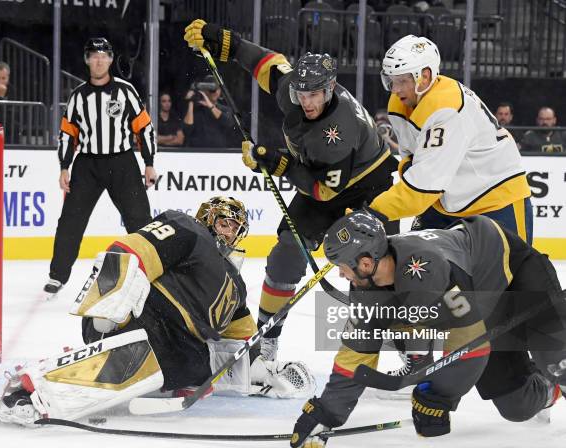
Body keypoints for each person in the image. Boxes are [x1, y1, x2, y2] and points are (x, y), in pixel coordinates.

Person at [184, 19, 399, 362]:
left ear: (329, 90)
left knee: (375, 271)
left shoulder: (338, 131)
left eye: (314, 94)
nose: (307, 101)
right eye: (301, 94)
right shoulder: (296, 92)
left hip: (369, 187)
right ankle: (267, 339)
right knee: (286, 252)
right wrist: (224, 40)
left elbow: (322, 191)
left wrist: (276, 163)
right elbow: (266, 63)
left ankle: (397, 344)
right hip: (323, 177)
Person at [0, 197, 315, 425]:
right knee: (142, 352)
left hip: (182, 350)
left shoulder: (237, 289)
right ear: (207, 217)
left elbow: (244, 348)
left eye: (235, 227)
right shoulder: (188, 229)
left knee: (198, 365)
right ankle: (36, 387)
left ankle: (82, 375)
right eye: (223, 220)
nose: (228, 231)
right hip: (145, 317)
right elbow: (129, 251)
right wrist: (107, 305)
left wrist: (269, 375)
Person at [290, 211, 566, 448]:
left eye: (342, 267)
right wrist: (327, 413)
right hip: (481, 304)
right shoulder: (367, 287)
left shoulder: (424, 271)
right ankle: (550, 385)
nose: (341, 274)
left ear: (364, 263)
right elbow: (357, 351)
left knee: (557, 359)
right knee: (518, 406)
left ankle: (555, 367)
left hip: (514, 272)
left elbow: (469, 342)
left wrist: (439, 396)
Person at [366, 34, 534, 376]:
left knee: (510, 294)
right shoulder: (403, 103)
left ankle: (540, 371)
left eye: (402, 80)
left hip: (495, 197)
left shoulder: (445, 109)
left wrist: (372, 213)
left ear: (425, 76)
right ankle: (418, 360)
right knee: (413, 271)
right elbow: (415, 160)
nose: (396, 88)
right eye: (392, 80)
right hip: (446, 199)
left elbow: (420, 188)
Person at [44, 38, 157, 298]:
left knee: (140, 220)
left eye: (103, 55)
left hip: (122, 162)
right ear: (87, 60)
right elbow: (67, 134)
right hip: (87, 165)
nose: (98, 60)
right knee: (70, 221)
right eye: (93, 55)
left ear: (110, 59)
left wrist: (149, 163)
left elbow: (145, 128)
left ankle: (153, 272)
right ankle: (57, 276)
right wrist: (64, 166)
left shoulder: (125, 91)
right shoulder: (78, 96)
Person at [183, 74, 240, 148]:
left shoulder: (225, 109)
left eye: (218, 89)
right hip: (197, 153)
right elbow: (186, 130)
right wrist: (190, 101)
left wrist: (210, 105)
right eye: (212, 89)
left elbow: (228, 123)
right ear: (204, 90)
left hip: (219, 153)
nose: (215, 92)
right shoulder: (195, 109)